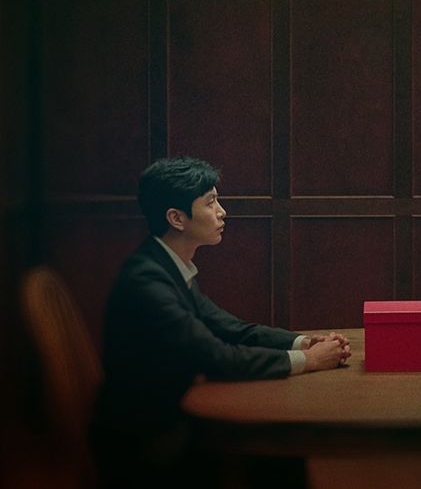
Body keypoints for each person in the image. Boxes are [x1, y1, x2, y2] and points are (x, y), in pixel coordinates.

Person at [90, 157, 351, 488]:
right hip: (148, 443)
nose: (222, 212)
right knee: (278, 448)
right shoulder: (148, 282)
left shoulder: (165, 265)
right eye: (210, 202)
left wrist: (303, 342)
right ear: (176, 218)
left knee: (281, 449)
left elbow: (232, 328)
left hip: (166, 417)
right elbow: (217, 357)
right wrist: (310, 360)